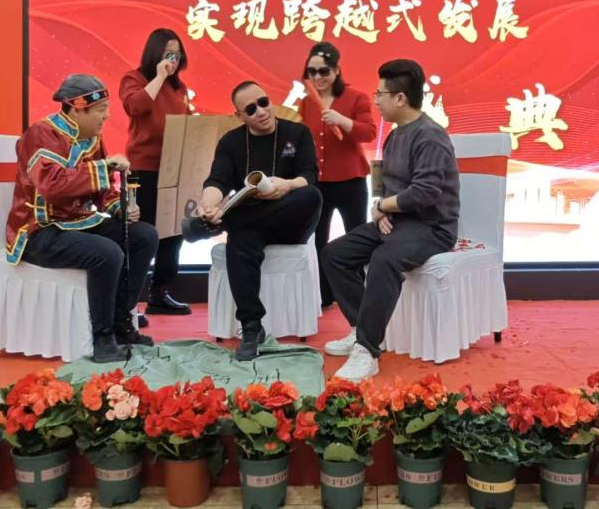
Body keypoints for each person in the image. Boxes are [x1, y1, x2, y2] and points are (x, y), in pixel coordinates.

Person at [321, 60, 460, 381]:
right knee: (334, 254)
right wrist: (380, 206)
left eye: (380, 94)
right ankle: (361, 328)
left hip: (432, 227)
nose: (376, 101)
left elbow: (425, 193)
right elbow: (383, 179)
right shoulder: (395, 135)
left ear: (400, 98)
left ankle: (367, 351)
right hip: (397, 221)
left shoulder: (430, 137)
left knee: (384, 259)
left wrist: (384, 206)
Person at [7, 74, 158, 363]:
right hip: (39, 230)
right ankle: (102, 339)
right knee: (108, 252)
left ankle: (121, 323)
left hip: (77, 223)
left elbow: (103, 190)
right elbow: (51, 185)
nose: (107, 116)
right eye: (101, 110)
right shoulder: (41, 134)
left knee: (144, 236)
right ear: (77, 109)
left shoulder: (91, 138)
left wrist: (119, 208)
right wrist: (104, 167)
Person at [184, 81, 323, 361]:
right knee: (240, 239)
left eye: (263, 102)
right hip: (252, 225)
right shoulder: (231, 142)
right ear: (240, 116)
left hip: (290, 219)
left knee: (311, 196)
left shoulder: (297, 132)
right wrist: (208, 205)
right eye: (250, 109)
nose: (261, 111)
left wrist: (286, 184)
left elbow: (309, 174)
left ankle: (223, 221)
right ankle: (251, 327)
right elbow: (217, 181)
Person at [296, 42, 377, 308]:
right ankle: (324, 294)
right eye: (312, 72)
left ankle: (360, 292)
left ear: (336, 70)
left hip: (351, 180)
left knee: (357, 236)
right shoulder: (306, 103)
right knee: (317, 239)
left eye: (324, 71)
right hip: (318, 183)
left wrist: (343, 121)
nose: (317, 77)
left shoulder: (356, 98)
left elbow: (369, 132)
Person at [118, 28, 192, 316]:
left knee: (173, 234)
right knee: (143, 234)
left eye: (177, 55)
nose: (173, 61)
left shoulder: (180, 88)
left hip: (174, 168)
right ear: (155, 54)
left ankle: (160, 293)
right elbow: (135, 106)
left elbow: (186, 124)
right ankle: (127, 303)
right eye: (168, 54)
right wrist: (159, 77)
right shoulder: (134, 79)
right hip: (144, 167)